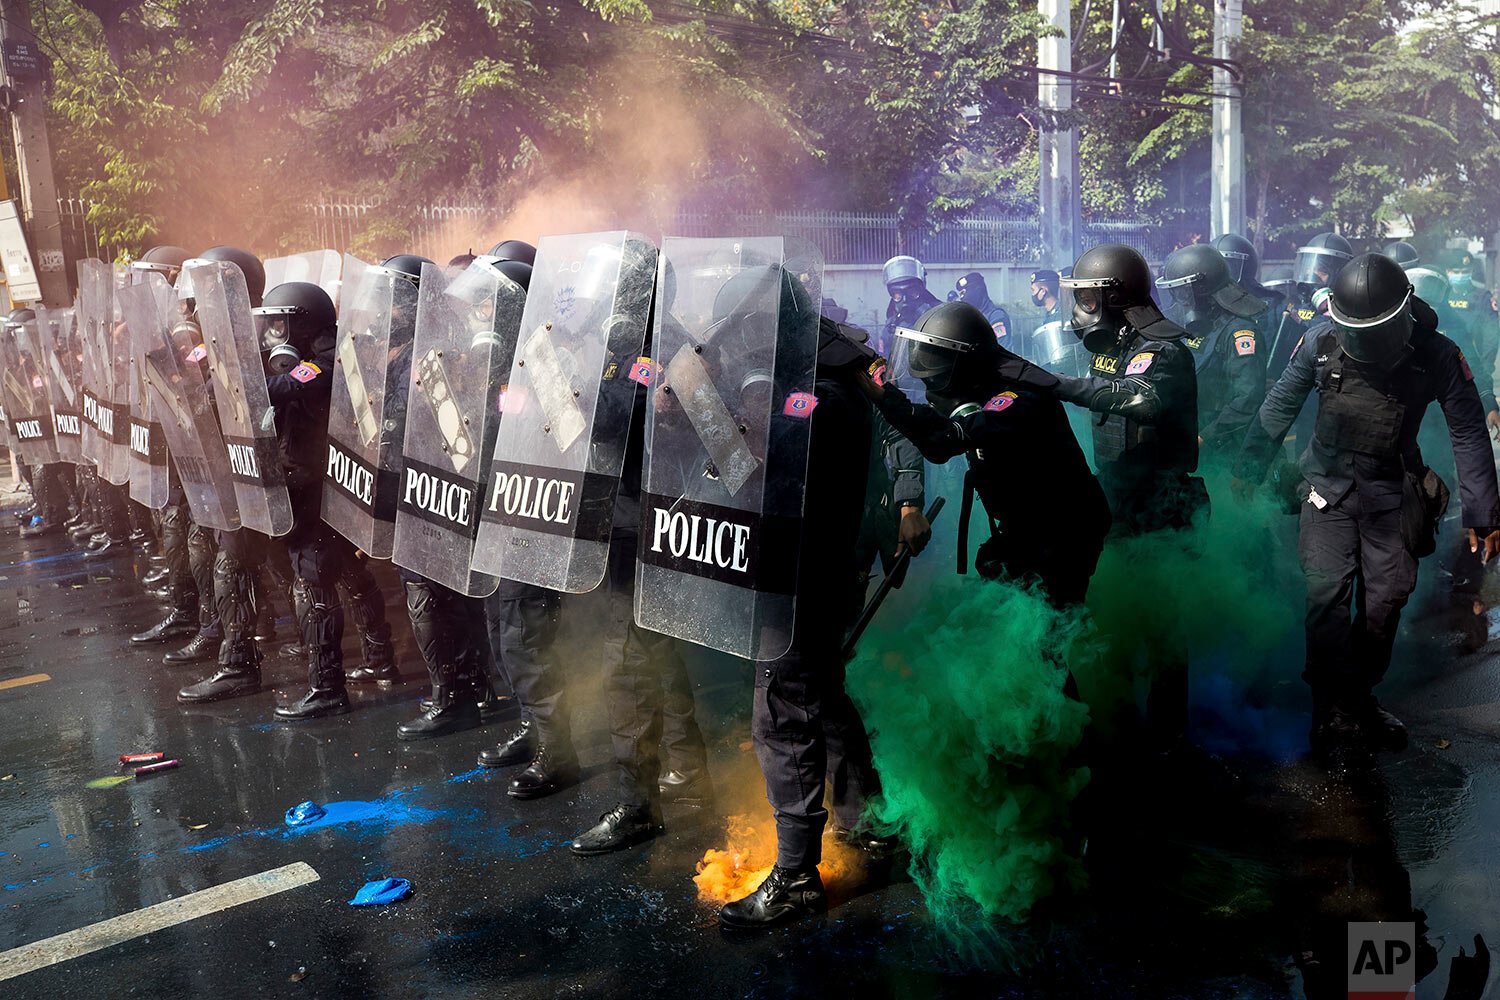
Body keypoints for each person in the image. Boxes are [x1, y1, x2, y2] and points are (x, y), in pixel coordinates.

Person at [1233, 253, 1500, 751]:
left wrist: (1484, 514)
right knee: (1327, 596)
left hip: (1392, 490)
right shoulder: (1320, 338)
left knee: (1386, 600)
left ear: (1403, 314)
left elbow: (1466, 430)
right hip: (1325, 490)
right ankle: (1328, 708)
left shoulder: (1438, 353)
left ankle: (1358, 697)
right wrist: (1249, 469)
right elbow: (1281, 403)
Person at [717, 314, 887, 929]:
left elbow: (760, 469)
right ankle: (869, 826)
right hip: (815, 568)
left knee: (784, 711)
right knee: (825, 695)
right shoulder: (833, 383)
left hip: (801, 575)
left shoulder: (817, 398)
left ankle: (795, 879)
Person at [1049, 244, 1204, 743]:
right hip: (1116, 503)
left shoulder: (1165, 350)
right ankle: (1122, 725)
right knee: (1116, 619)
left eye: (1087, 299)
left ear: (1115, 299)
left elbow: (1142, 403)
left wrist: (1055, 384)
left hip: (1165, 507)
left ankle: (1168, 738)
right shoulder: (1112, 346)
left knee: (1163, 627)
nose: (1080, 311)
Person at [863, 301, 1109, 605]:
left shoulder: (1018, 398)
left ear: (969, 366)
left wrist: (890, 402)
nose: (930, 392)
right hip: (1027, 528)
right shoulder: (986, 391)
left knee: (1056, 624)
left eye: (937, 379)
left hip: (1067, 532)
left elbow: (944, 441)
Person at [1155, 243, 1269, 456]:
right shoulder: (1198, 326)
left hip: (1222, 446)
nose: (1178, 301)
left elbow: (1248, 398)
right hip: (1189, 433)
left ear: (1201, 290)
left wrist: (1205, 437)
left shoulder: (1239, 333)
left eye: (1181, 292)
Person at [879, 255, 940, 353]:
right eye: (898, 294)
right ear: (892, 294)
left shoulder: (938, 316)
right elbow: (886, 357)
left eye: (912, 293)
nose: (905, 301)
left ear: (921, 290)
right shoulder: (891, 324)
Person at [953, 271, 1013, 350]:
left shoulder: (995, 316)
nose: (962, 298)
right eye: (960, 294)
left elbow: (1002, 350)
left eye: (964, 293)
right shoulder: (971, 317)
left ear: (977, 290)